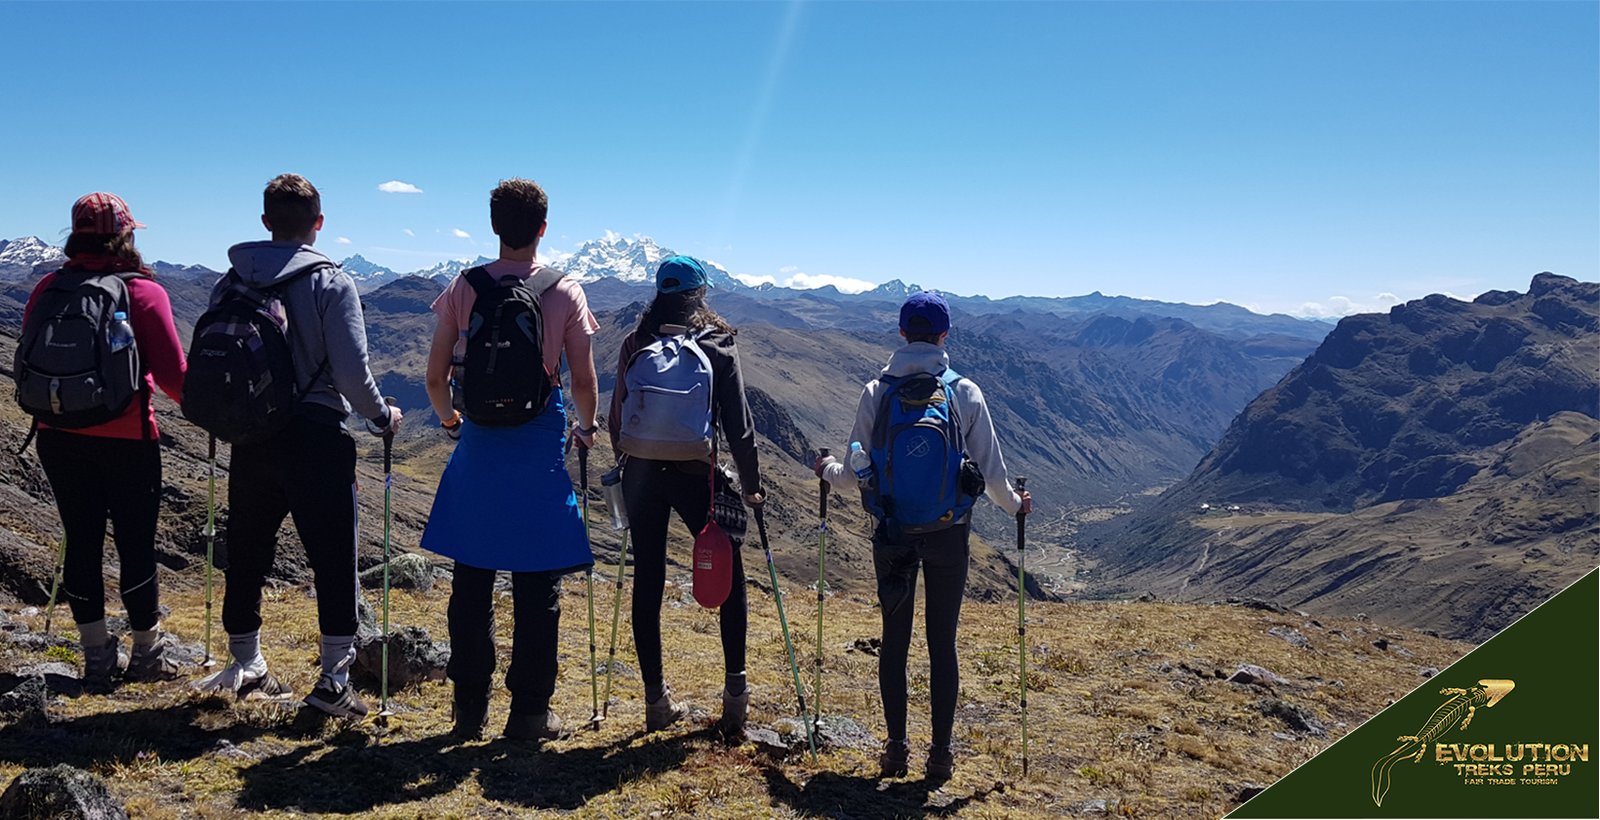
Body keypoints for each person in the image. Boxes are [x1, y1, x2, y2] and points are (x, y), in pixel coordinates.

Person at [194, 174, 401, 717]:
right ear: (319, 222)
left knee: (248, 550)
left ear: (266, 222)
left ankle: (245, 662)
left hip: (251, 434)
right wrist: (382, 416)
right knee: (333, 557)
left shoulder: (231, 281)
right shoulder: (331, 283)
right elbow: (353, 373)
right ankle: (334, 681)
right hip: (316, 437)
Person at [814, 290, 1033, 783]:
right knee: (942, 643)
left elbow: (852, 475)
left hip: (892, 533)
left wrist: (826, 468)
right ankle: (940, 755)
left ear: (900, 333)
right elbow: (994, 478)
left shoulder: (876, 391)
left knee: (895, 640)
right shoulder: (964, 392)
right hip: (947, 533)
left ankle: (894, 750)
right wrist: (1019, 506)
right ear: (944, 335)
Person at [420, 178, 600, 741]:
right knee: (535, 583)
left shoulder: (463, 287)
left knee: (471, 581)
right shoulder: (565, 292)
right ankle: (528, 715)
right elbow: (586, 380)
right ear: (543, 228)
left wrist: (452, 422)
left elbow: (435, 377)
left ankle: (468, 712)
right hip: (538, 447)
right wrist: (586, 427)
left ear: (494, 225)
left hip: (479, 446)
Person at [17, 193, 187, 692]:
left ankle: (95, 656)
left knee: (81, 539)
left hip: (57, 435)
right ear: (126, 235)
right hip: (127, 437)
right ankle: (146, 654)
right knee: (135, 544)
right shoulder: (143, 293)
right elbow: (176, 376)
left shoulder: (48, 287)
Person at [608, 256, 764, 734]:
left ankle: (656, 701)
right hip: (699, 474)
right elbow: (739, 427)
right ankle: (735, 698)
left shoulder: (637, 344)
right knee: (730, 572)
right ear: (700, 295)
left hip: (642, 474)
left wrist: (629, 462)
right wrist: (753, 486)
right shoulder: (717, 345)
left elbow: (617, 418)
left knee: (648, 578)